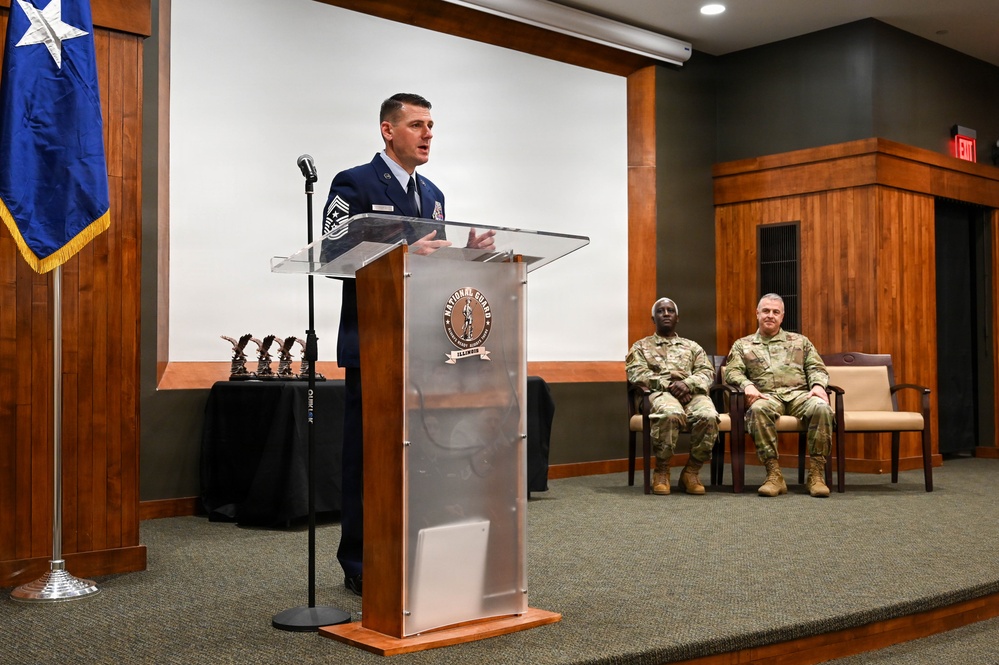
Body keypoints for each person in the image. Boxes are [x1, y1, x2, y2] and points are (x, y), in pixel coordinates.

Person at [320, 93, 494, 596]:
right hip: (374, 343)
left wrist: (467, 256)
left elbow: (432, 268)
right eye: (417, 124)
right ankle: (361, 560)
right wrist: (401, 252)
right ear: (387, 130)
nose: (428, 134)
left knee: (424, 456)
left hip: (426, 349)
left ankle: (417, 549)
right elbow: (332, 254)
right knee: (369, 458)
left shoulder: (433, 194)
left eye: (431, 125)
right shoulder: (354, 182)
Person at [724, 293, 833, 498]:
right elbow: (732, 372)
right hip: (766, 396)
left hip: (799, 395)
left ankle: (816, 475)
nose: (770, 315)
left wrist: (818, 385)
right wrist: (747, 385)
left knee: (822, 408)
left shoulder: (800, 341)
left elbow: (816, 367)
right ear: (757, 313)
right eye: (766, 311)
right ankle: (774, 475)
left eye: (776, 312)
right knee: (757, 410)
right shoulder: (743, 345)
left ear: (782, 317)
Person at [625, 297, 719, 495]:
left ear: (677, 317)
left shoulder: (692, 347)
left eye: (670, 310)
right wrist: (669, 385)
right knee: (671, 413)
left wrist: (687, 384)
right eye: (660, 311)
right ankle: (662, 470)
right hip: (658, 394)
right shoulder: (640, 347)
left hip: (691, 393)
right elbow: (636, 373)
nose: (666, 314)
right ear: (653, 318)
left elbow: (707, 372)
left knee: (709, 415)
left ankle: (691, 471)